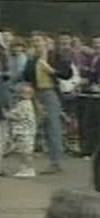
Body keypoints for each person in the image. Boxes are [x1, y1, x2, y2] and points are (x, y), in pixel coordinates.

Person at [22, 32, 73, 175]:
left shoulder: (54, 56)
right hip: (36, 93)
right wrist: (31, 60)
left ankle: (55, 161)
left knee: (53, 125)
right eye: (33, 41)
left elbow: (66, 73)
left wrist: (52, 70)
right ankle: (28, 159)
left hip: (50, 92)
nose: (36, 44)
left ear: (45, 42)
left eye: (38, 41)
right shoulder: (33, 58)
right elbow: (26, 75)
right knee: (34, 125)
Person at [3, 83, 37, 178]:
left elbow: (18, 116)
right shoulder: (23, 104)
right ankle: (24, 167)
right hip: (22, 132)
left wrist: (6, 115)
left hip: (25, 133)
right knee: (23, 152)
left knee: (26, 153)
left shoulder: (25, 104)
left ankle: (29, 169)